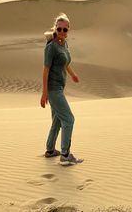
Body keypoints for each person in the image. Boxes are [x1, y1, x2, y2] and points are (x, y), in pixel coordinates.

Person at [40, 12, 83, 166]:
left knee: (58, 121)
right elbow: (45, 70)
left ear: (68, 30)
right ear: (55, 28)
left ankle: (50, 150)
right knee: (69, 119)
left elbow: (65, 63)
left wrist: (72, 75)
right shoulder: (51, 47)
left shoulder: (63, 43)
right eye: (59, 29)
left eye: (65, 30)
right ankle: (65, 155)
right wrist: (44, 93)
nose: (62, 32)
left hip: (59, 87)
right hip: (53, 90)